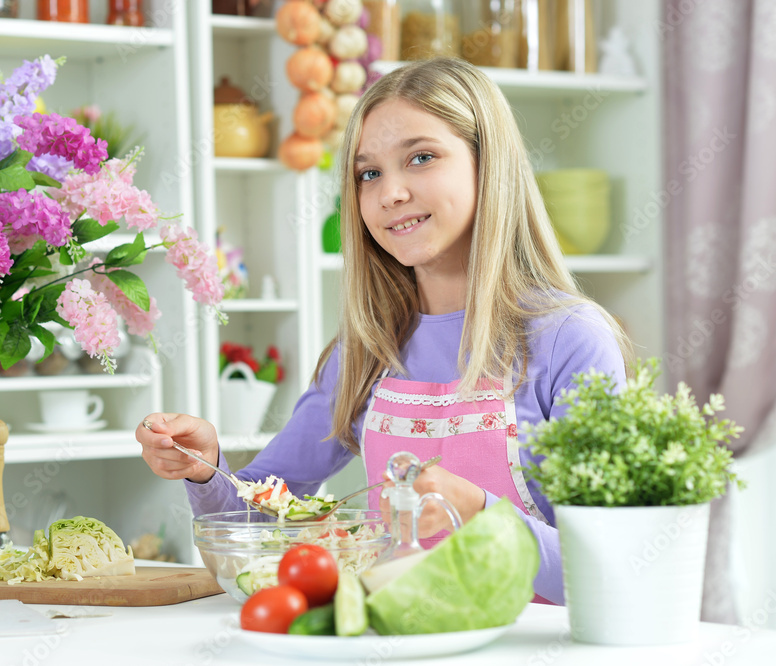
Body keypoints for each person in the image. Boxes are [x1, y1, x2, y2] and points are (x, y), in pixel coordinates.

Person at [136, 57, 631, 605]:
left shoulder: (570, 339)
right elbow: (253, 523)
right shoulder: (367, 349)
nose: (390, 193)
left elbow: (611, 570)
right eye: (369, 173)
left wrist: (479, 509)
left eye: (421, 158)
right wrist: (206, 468)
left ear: (488, 165)